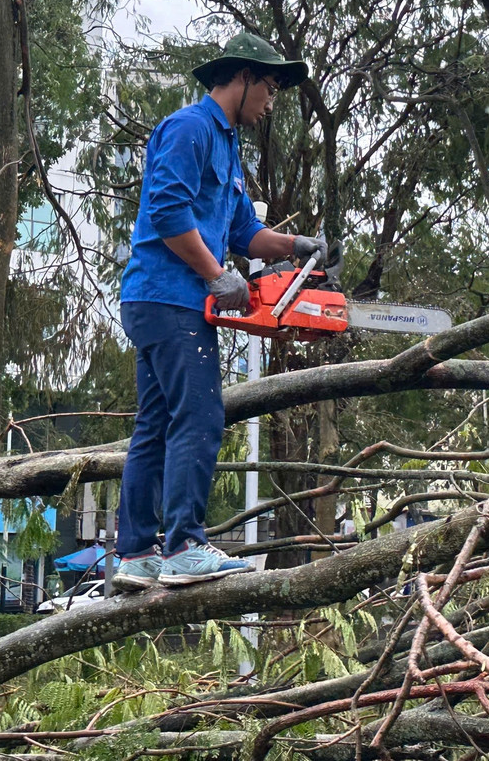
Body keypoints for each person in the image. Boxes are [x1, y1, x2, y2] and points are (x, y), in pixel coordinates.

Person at [112, 32, 326, 589]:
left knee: (156, 424)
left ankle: (136, 556)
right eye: (270, 87)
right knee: (201, 417)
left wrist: (295, 245)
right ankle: (184, 546)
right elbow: (165, 210)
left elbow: (241, 231)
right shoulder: (190, 127)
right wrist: (215, 273)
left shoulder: (227, 147)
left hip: (164, 300)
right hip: (170, 296)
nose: (272, 100)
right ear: (243, 78)